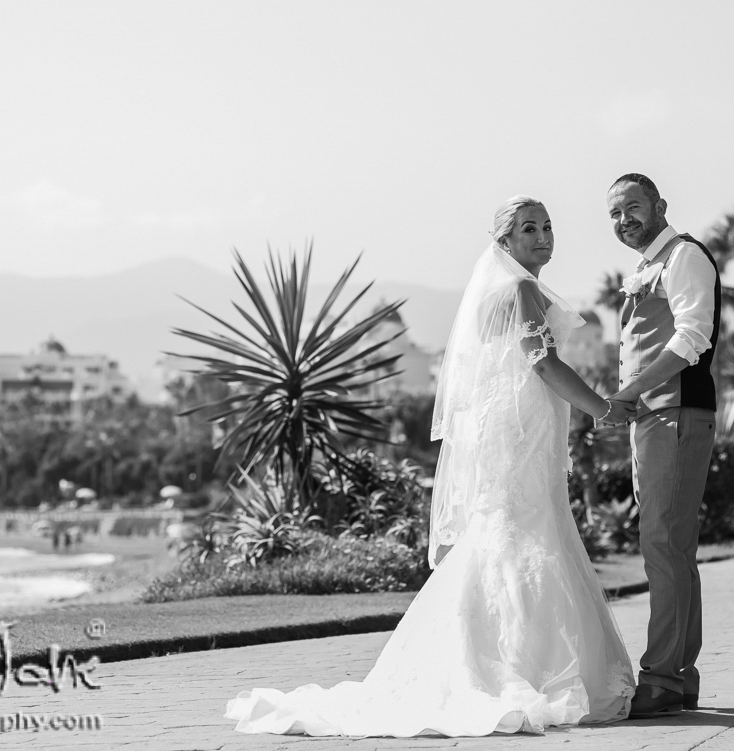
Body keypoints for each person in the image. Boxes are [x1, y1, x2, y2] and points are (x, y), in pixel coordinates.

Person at [224, 195, 637, 738]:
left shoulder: (496, 295)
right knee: (522, 532)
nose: (542, 236)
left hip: (512, 431)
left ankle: (493, 658)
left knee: (509, 531)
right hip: (520, 433)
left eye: (547, 226)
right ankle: (523, 668)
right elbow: (542, 363)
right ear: (505, 242)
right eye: (528, 228)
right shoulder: (519, 289)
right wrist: (603, 408)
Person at [605, 173, 721, 717]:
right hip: (655, 417)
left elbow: (692, 337)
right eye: (614, 212)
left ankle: (662, 676)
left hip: (675, 412)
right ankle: (679, 676)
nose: (624, 218)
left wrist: (630, 390)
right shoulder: (646, 266)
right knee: (670, 545)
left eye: (633, 207)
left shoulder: (684, 257)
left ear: (660, 206)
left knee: (662, 542)